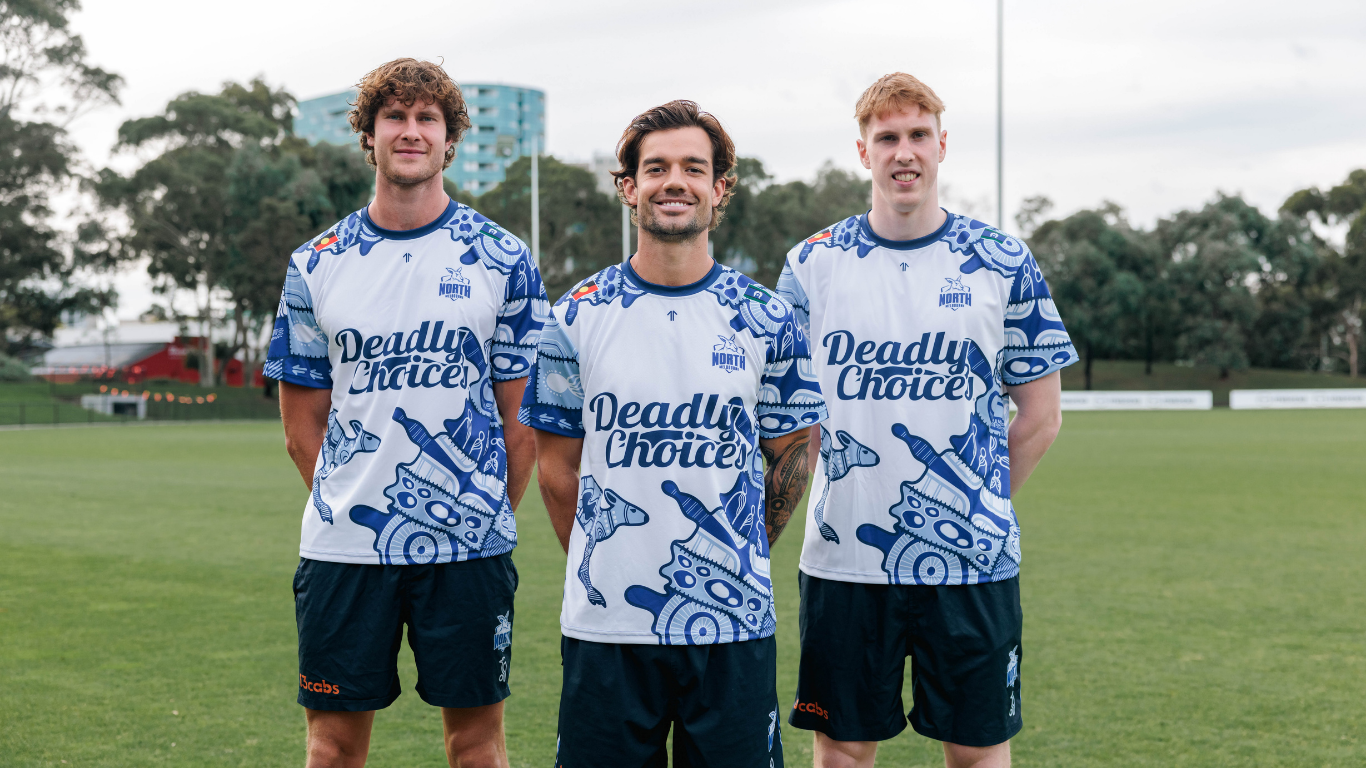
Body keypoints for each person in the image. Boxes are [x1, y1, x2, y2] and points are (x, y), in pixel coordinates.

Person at [776, 73, 1077, 768]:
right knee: (843, 749)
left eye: (917, 136)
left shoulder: (1002, 261)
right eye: (887, 138)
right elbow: (790, 415)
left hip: (972, 562)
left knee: (976, 752)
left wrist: (979, 502)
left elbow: (1039, 415)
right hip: (845, 560)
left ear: (942, 146)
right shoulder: (813, 264)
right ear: (863, 152)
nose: (903, 152)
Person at [521, 100, 827, 768]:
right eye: (655, 167)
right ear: (628, 186)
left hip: (732, 623)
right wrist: (610, 555)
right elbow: (556, 473)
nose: (674, 181)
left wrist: (739, 544)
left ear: (719, 188)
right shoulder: (575, 317)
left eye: (694, 167)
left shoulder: (766, 319)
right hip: (607, 632)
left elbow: (794, 455)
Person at [266, 58, 548, 768]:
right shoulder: (317, 263)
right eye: (395, 117)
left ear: (450, 139)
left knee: (478, 747)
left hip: (470, 550)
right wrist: (351, 505)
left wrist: (479, 509)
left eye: (428, 119)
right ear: (369, 136)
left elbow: (523, 421)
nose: (412, 131)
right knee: (331, 749)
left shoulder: (502, 257)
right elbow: (303, 426)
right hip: (346, 549)